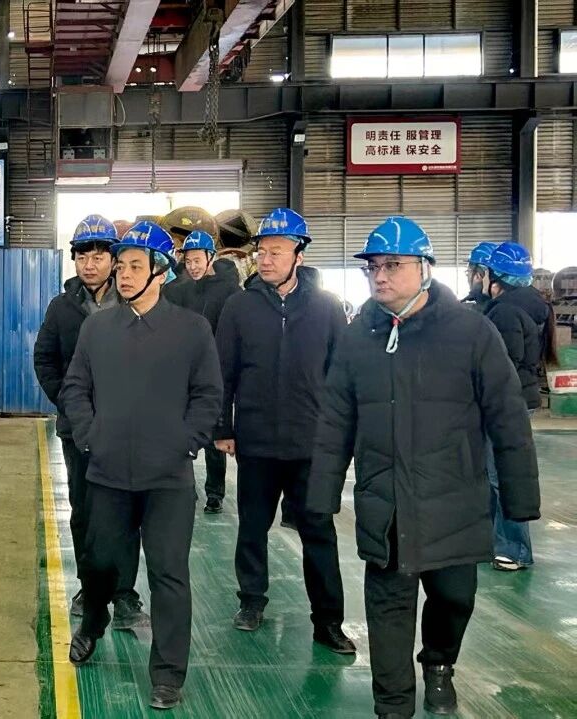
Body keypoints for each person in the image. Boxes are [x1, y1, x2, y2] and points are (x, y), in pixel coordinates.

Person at [308, 216, 540, 719]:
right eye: (373, 267)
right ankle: (393, 706)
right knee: (387, 609)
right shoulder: (358, 337)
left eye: (392, 265)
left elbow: (507, 417)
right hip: (385, 506)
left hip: (452, 503)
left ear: (425, 269)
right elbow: (335, 421)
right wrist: (320, 497)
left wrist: (519, 500)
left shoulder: (470, 332)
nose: (380, 276)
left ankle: (439, 662)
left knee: (454, 599)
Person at [61, 220, 222, 711]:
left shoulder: (191, 331)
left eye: (135, 266)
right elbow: (75, 387)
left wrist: (186, 444)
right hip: (108, 473)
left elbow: (208, 395)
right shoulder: (97, 328)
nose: (124, 274)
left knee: (169, 573)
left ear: (161, 272)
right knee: (100, 564)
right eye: (121, 265)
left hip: (167, 478)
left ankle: (168, 672)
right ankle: (93, 623)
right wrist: (90, 437)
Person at [212, 207, 354, 654]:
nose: (266, 259)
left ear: (299, 255)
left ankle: (328, 621)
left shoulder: (327, 308)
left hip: (311, 443)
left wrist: (338, 434)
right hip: (256, 441)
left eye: (277, 251)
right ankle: (251, 601)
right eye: (262, 251)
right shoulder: (239, 307)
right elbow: (223, 371)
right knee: (252, 527)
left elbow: (341, 376)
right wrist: (223, 426)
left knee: (319, 532)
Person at [33, 214, 151, 629]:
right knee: (84, 511)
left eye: (98, 256)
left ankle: (125, 594)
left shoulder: (134, 304)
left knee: (125, 511)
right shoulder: (61, 308)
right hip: (79, 431)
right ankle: (90, 588)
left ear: (113, 260)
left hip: (128, 429)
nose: (89, 265)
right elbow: (45, 359)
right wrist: (70, 404)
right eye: (82, 257)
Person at [479, 241, 555, 571]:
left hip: (507, 403)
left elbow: (504, 362)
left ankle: (514, 549)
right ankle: (496, 542)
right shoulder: (528, 305)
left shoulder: (506, 311)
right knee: (496, 472)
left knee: (501, 474)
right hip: (519, 399)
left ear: (495, 276)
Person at [175, 230, 241, 513]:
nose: (192, 266)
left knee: (215, 435)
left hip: (215, 372)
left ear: (210, 257)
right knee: (184, 432)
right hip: (186, 373)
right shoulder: (182, 290)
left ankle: (215, 493)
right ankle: (186, 488)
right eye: (188, 261)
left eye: (197, 260)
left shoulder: (230, 291)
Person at [462, 241, 499, 309]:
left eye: (468, 272)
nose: (467, 276)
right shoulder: (508, 303)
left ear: (477, 276)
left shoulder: (467, 309)